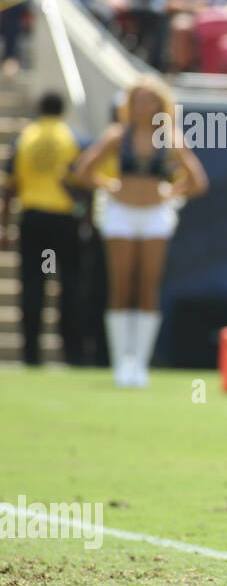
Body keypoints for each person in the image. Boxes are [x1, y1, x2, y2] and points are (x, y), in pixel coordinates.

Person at [72, 76, 208, 386]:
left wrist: (168, 193)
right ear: (129, 105)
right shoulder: (117, 135)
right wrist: (111, 187)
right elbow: (83, 170)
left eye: (151, 100)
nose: (145, 107)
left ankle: (140, 362)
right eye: (139, 100)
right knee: (121, 284)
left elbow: (198, 181)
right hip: (120, 214)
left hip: (155, 216)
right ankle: (122, 361)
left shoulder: (169, 137)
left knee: (148, 285)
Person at [0, 92, 84, 366]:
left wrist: (5, 226)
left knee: (33, 286)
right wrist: (83, 214)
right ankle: (70, 353)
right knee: (68, 286)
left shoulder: (25, 137)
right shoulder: (70, 137)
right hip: (63, 220)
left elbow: (10, 187)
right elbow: (79, 182)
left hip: (33, 219)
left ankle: (31, 355)